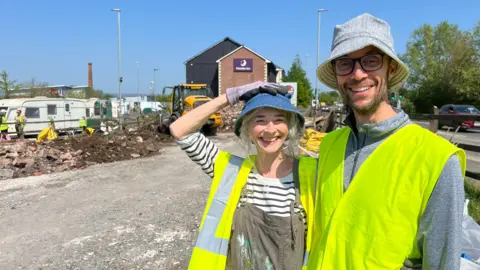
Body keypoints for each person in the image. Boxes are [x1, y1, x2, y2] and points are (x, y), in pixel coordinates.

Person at [307, 13, 467, 270]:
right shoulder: (330, 145)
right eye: (345, 63)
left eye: (371, 60)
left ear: (390, 68)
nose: (358, 74)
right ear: (337, 74)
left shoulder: (436, 160)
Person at [169, 81, 318, 270]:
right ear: (247, 128)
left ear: (289, 127)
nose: (270, 130)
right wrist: (231, 96)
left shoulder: (312, 174)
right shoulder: (230, 171)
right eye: (260, 120)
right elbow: (180, 130)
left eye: (279, 120)